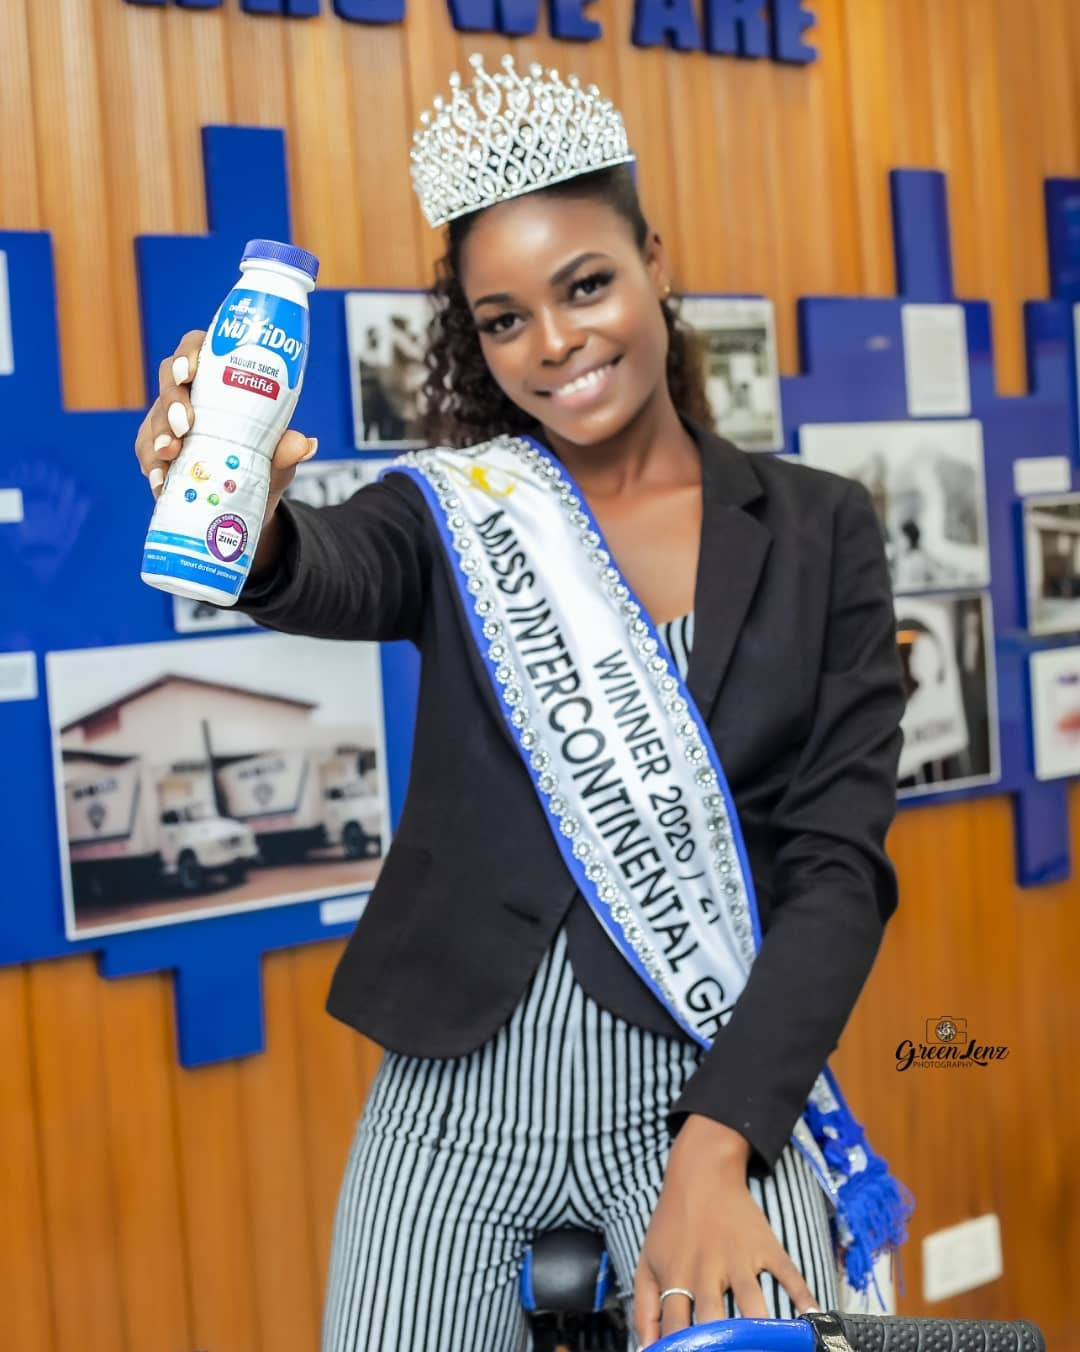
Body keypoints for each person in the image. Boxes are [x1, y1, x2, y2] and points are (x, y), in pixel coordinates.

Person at [134, 51, 911, 1352]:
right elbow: (322, 566)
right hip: (453, 1093)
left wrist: (720, 1155)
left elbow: (837, 870)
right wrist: (250, 519)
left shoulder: (824, 530)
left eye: (587, 285)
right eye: (504, 319)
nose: (553, 345)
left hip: (703, 1088)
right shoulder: (459, 512)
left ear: (657, 263)